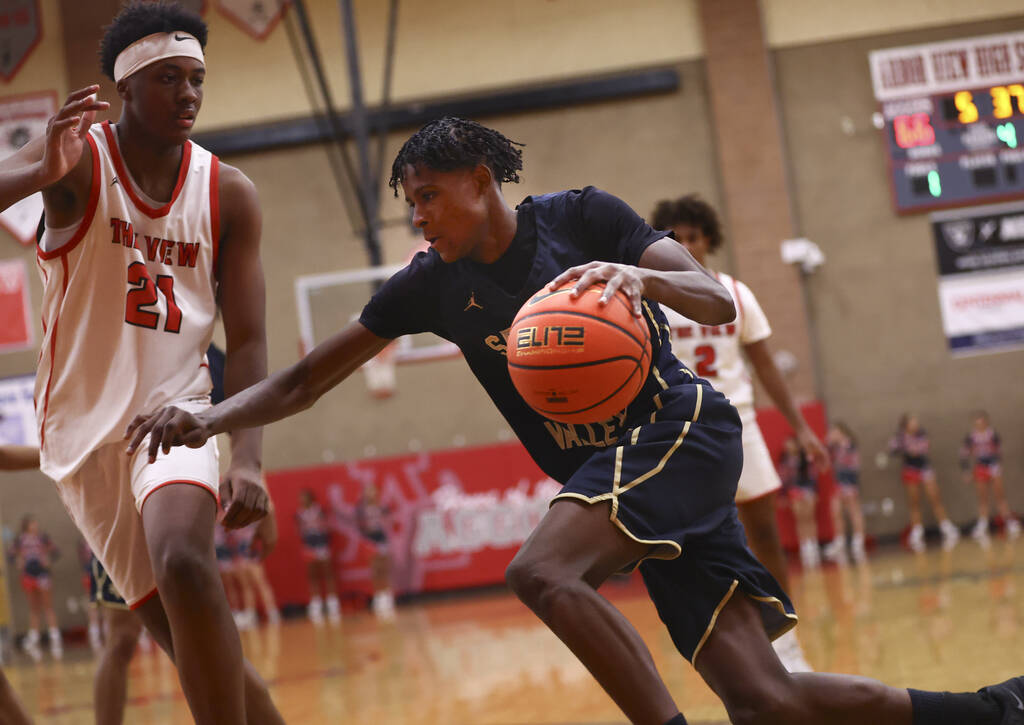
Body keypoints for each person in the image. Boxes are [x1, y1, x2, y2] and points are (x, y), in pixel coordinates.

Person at [127, 116, 1024, 725]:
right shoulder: (430, 284)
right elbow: (303, 379)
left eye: (430, 196)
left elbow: (712, 299)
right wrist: (206, 418)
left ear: (481, 182)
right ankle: (993, 709)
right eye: (410, 205)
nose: (419, 218)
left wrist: (642, 278)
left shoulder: (586, 218)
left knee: (541, 569)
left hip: (682, 428)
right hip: (631, 476)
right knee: (767, 701)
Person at [0, 2, 282, 722]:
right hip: (80, 431)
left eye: (196, 78)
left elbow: (248, 339)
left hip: (177, 411)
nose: (188, 93)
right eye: (168, 79)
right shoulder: (80, 165)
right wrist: (34, 170)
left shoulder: (228, 193)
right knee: (192, 646)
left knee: (188, 559)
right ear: (125, 87)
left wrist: (246, 455)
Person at [649, 194, 824, 671]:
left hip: (736, 423)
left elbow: (765, 366)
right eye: (675, 237)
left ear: (709, 240)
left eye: (693, 236)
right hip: (674, 430)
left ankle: (786, 641)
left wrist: (801, 429)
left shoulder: (736, 293)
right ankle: (719, 645)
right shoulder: (649, 297)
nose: (685, 244)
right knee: (687, 547)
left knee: (764, 530)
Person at [889, 414, 959, 552]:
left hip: (924, 469)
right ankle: (917, 531)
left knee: (935, 498)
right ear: (906, 425)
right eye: (912, 422)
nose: (916, 424)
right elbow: (893, 449)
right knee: (914, 501)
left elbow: (920, 449)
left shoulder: (922, 434)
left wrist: (909, 449)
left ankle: (946, 526)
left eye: (916, 421)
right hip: (910, 470)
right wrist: (900, 446)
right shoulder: (900, 437)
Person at [960, 411, 1020, 542]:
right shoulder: (971, 437)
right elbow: (964, 454)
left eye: (982, 422)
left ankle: (1009, 522)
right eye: (977, 423)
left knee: (1000, 496)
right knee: (982, 497)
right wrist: (966, 471)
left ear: (987, 422)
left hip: (993, 467)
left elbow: (999, 452)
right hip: (980, 467)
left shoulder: (993, 435)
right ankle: (982, 524)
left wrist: (997, 466)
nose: (980, 425)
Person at [11, 516, 61, 659]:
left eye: (35, 523)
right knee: (34, 607)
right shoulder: (20, 540)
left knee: (48, 606)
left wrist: (48, 560)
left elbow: (56, 552)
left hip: (43, 575)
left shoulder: (43, 538)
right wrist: (18, 560)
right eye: (32, 523)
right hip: (28, 575)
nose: (35, 525)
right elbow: (11, 555)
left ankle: (55, 636)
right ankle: (34, 637)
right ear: (26, 525)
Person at [295, 489, 340, 625]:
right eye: (300, 498)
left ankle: (332, 601)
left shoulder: (320, 511)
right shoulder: (299, 514)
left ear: (311, 498)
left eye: (304, 497)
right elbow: (300, 531)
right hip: (309, 546)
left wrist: (325, 543)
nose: (302, 500)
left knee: (328, 573)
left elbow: (327, 527)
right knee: (312, 575)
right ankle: (316, 602)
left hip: (322, 545)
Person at [777, 438, 821, 569]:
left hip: (808, 489)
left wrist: (815, 491)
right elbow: (783, 479)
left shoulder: (805, 457)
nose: (788, 446)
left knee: (809, 518)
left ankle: (813, 543)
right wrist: (783, 495)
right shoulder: (785, 460)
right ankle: (804, 545)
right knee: (800, 519)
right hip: (794, 491)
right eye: (786, 444)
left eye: (790, 443)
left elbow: (813, 474)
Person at [827, 422, 867, 562]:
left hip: (849, 483)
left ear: (842, 432)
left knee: (853, 510)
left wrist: (849, 485)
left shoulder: (850, 446)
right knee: (836, 511)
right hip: (839, 483)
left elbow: (853, 466)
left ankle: (858, 540)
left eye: (834, 432)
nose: (832, 434)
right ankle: (840, 541)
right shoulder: (834, 448)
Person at [355, 481, 395, 620]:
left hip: (382, 540)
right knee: (375, 569)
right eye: (368, 491)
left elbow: (389, 523)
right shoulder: (361, 509)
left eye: (373, 491)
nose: (371, 494)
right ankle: (378, 596)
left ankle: (387, 595)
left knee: (383, 568)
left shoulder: (382, 507)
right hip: (370, 540)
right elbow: (360, 526)